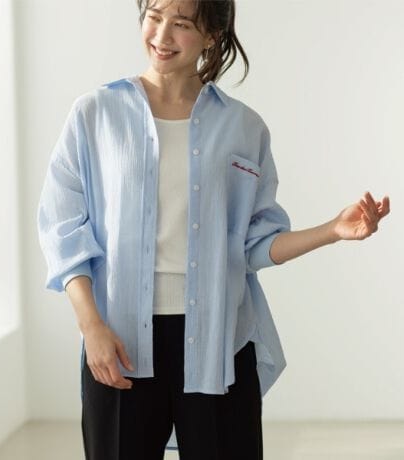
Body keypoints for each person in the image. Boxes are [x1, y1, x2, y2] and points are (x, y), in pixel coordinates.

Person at [37, 0, 391, 459]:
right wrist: (91, 327)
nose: (162, 36)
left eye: (181, 23)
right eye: (154, 17)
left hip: (218, 340)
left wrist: (333, 230)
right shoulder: (94, 114)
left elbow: (255, 244)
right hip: (119, 337)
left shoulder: (244, 127)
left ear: (212, 35)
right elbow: (63, 228)